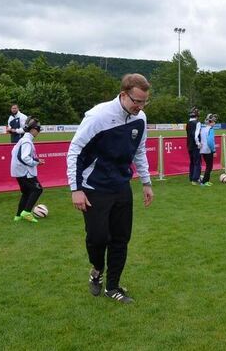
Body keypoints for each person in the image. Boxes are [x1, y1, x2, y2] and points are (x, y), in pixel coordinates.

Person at [67, 73, 154, 304]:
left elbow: (139, 151)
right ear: (123, 95)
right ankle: (97, 270)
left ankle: (113, 287)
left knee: (120, 239)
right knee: (97, 238)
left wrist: (146, 182)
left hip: (121, 186)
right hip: (94, 187)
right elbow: (75, 150)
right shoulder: (98, 116)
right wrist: (76, 189)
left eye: (145, 102)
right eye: (137, 101)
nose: (140, 106)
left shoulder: (140, 118)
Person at [10, 117, 44, 223]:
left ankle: (18, 216)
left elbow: (14, 153)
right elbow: (24, 157)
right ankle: (27, 212)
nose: (38, 132)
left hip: (18, 171)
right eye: (38, 130)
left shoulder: (22, 140)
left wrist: (35, 160)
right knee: (38, 189)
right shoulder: (27, 141)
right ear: (33, 130)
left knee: (26, 192)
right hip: (25, 172)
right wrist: (36, 162)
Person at [199, 113, 217, 186]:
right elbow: (210, 141)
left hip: (203, 150)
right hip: (208, 150)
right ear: (211, 122)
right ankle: (204, 182)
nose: (214, 123)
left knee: (208, 166)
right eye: (213, 121)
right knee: (209, 166)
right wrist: (213, 150)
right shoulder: (211, 129)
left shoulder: (203, 129)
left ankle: (206, 181)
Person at [186, 107, 202, 185]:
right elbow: (196, 135)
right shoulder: (197, 123)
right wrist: (198, 143)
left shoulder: (188, 123)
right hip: (195, 146)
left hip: (189, 145)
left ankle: (191, 177)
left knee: (192, 162)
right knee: (197, 162)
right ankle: (195, 179)